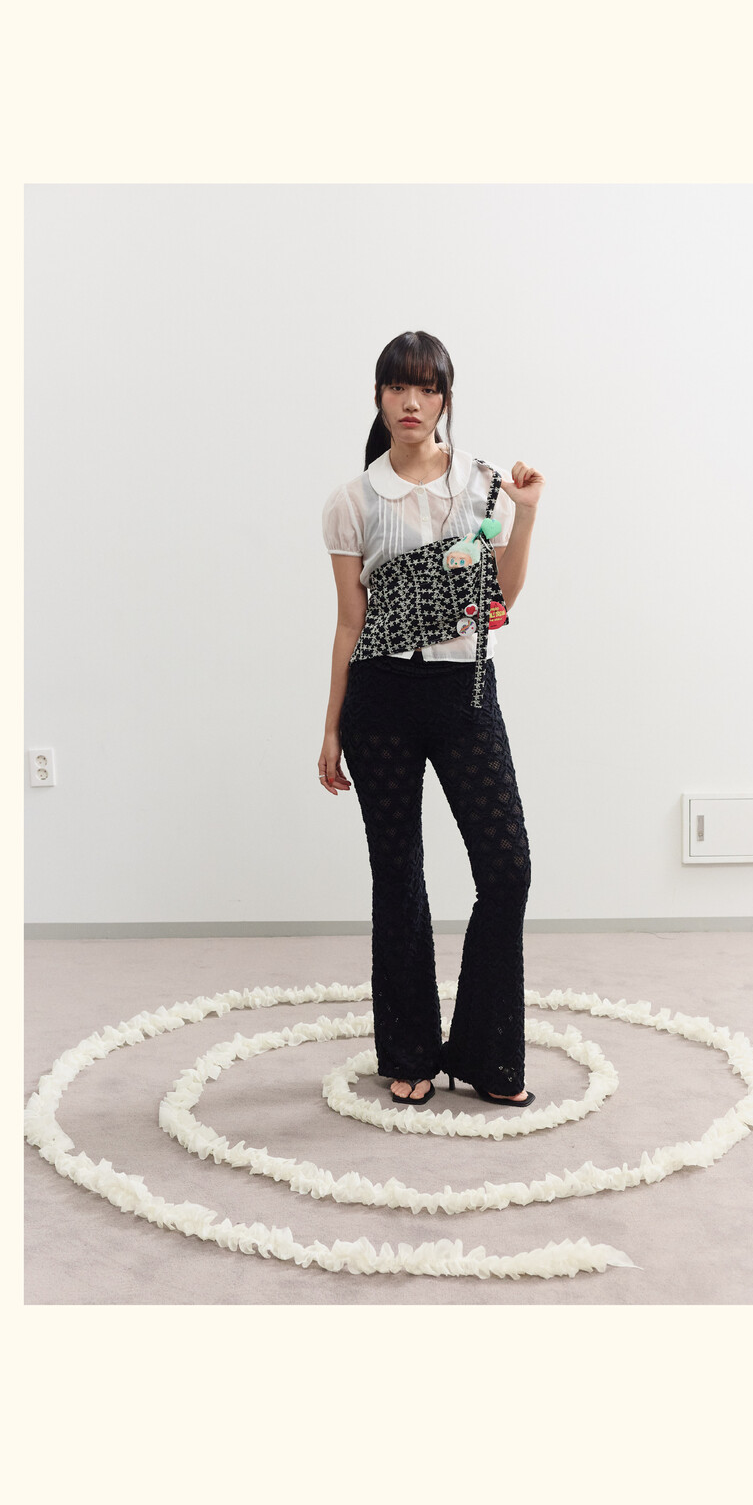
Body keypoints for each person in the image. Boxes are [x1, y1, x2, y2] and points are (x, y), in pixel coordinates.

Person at [319, 328, 544, 1107]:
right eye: (397, 387)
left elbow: (500, 597)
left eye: (426, 388)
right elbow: (350, 622)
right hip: (379, 697)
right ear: (379, 397)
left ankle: (486, 1055)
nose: (411, 402)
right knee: (399, 875)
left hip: (464, 691)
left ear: (446, 398)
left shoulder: (483, 484)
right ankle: (410, 1052)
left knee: (507, 870)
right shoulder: (352, 501)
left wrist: (526, 514)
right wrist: (330, 728)